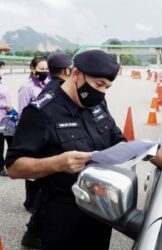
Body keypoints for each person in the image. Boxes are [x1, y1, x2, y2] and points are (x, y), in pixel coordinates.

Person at [6, 50, 126, 250]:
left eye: (107, 87)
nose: (102, 92)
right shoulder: (42, 111)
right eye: (98, 85)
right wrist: (57, 163)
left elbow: (116, 137)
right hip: (62, 214)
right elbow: (14, 167)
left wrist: (133, 149)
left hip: (99, 210)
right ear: (76, 74)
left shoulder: (97, 103)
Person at [20, 52, 72, 249]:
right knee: (45, 190)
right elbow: (27, 114)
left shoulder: (48, 87)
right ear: (68, 70)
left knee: (44, 190)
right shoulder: (48, 90)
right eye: (39, 69)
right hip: (43, 143)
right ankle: (33, 231)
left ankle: (33, 232)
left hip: (45, 143)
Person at [18, 56, 49, 213]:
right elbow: (23, 112)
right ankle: (29, 201)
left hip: (45, 132)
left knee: (43, 167)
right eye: (41, 69)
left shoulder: (47, 84)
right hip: (31, 132)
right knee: (31, 169)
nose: (45, 72)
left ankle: (39, 200)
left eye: (46, 69)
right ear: (33, 69)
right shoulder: (27, 87)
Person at [0, 61, 16, 176]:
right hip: (1, 117)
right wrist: (4, 105)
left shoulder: (2, 80)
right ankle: (1, 168)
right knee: (0, 145)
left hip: (7, 116)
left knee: (12, 141)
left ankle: (9, 164)